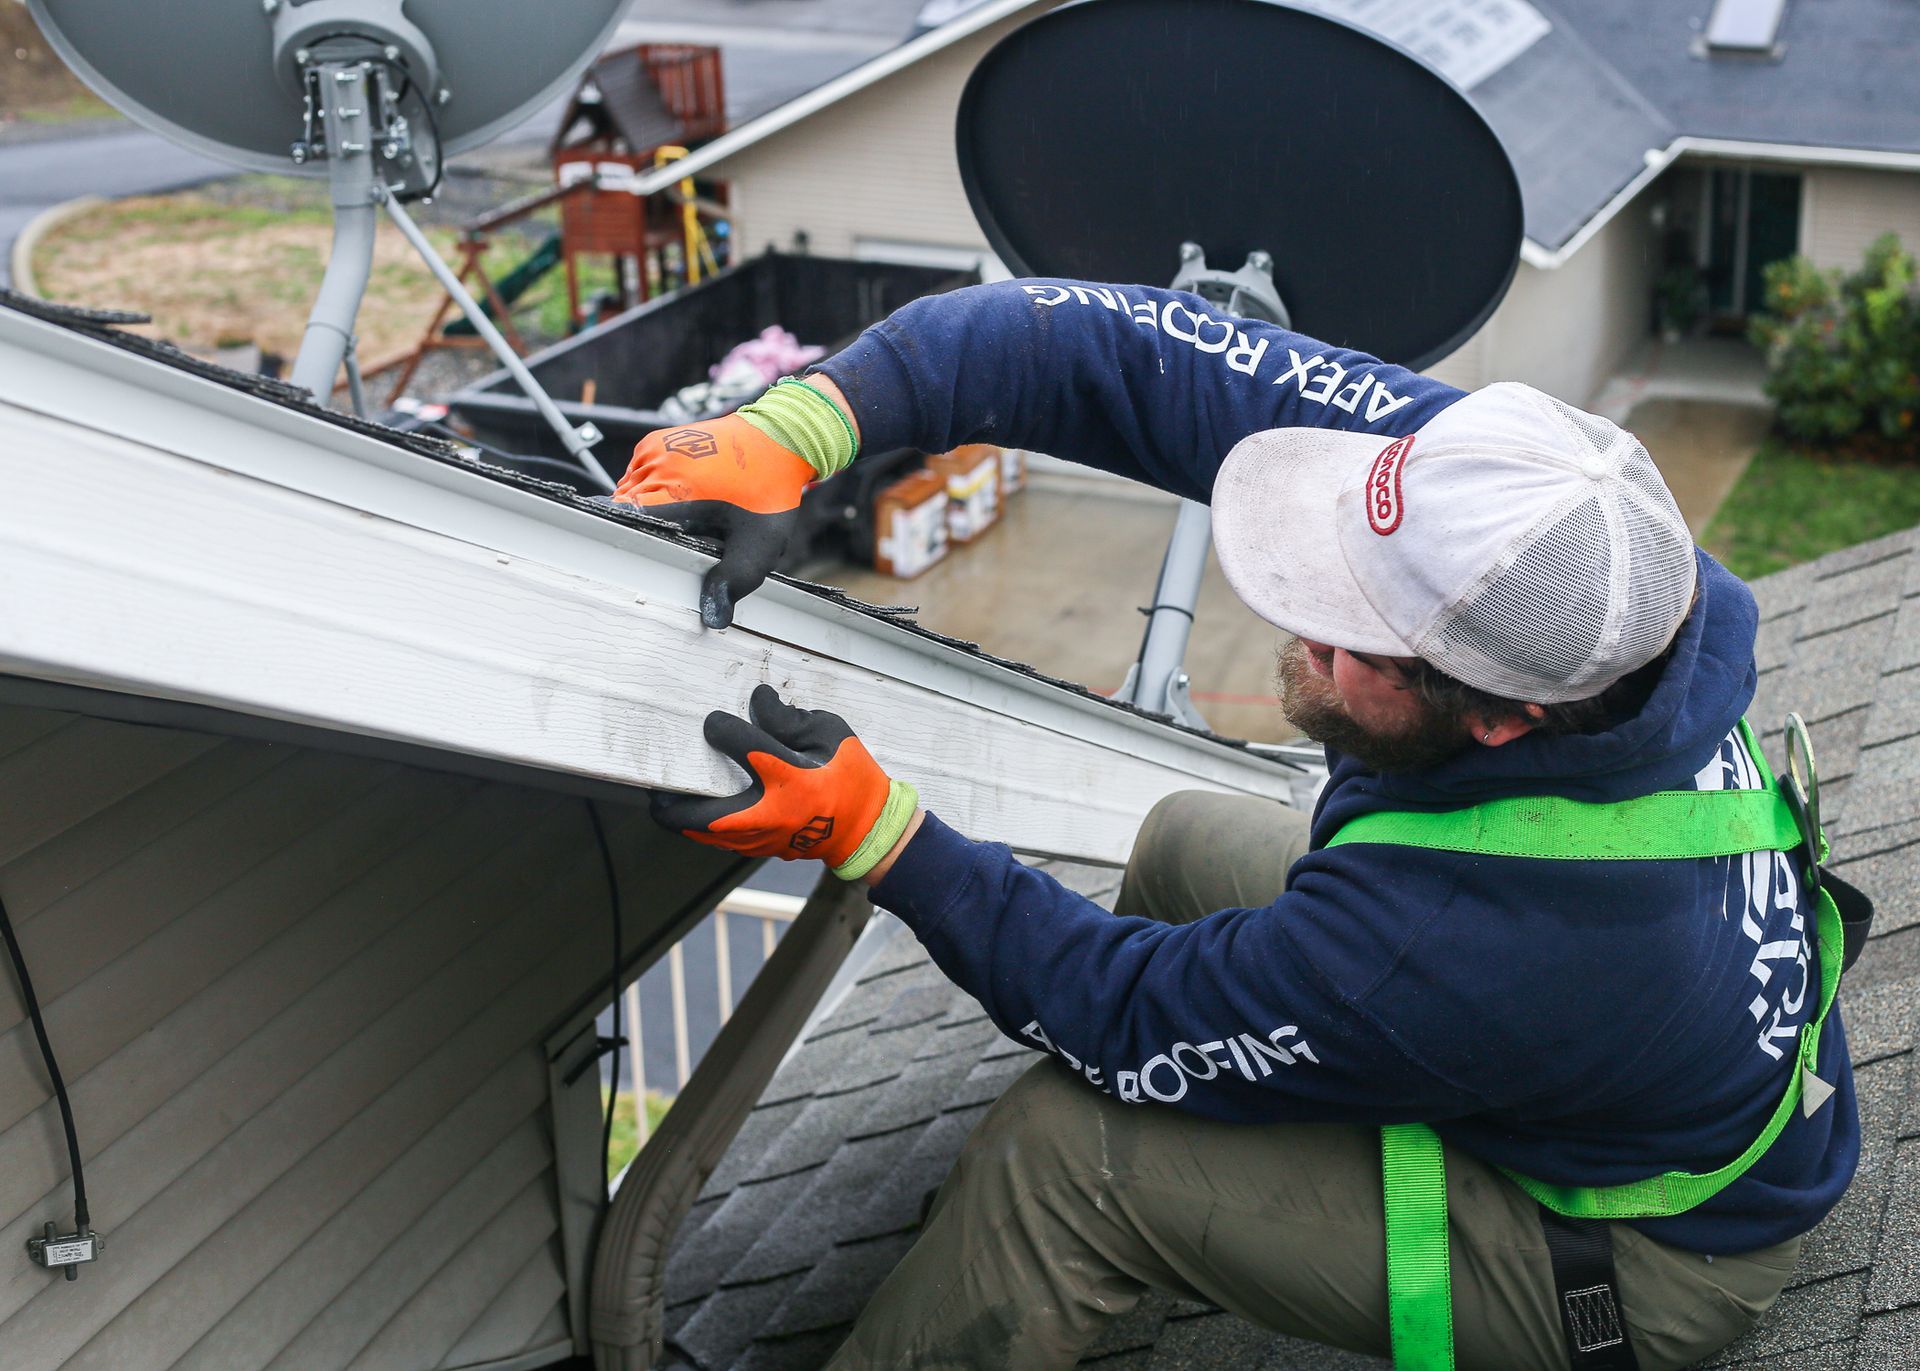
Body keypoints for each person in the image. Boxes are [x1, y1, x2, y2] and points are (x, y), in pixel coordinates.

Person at [622, 280, 1859, 1370]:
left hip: (1637, 1252)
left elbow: (1123, 1011)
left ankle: (1074, 1231)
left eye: (1347, 635)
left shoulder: (1467, 941)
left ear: (1498, 722)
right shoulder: (1528, 534)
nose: (1300, 624)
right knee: (1177, 841)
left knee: (1067, 1160)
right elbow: (1106, 346)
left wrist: (881, 834)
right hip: (1607, 1047)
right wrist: (806, 421)